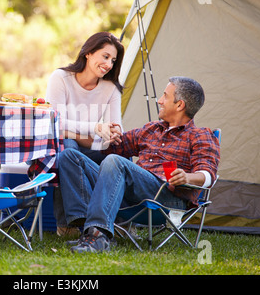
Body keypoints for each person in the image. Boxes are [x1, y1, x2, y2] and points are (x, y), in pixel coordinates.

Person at [58, 76, 220, 253]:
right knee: (70, 156)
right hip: (130, 194)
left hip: (165, 198)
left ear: (179, 105)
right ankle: (87, 231)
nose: (159, 100)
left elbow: (208, 174)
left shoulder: (200, 135)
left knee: (115, 162)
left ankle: (98, 236)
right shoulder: (151, 129)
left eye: (165, 96)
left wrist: (187, 176)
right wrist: (95, 132)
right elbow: (110, 147)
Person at [45, 32, 125, 237]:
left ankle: (110, 220)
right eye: (105, 56)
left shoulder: (111, 89)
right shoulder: (61, 78)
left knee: (118, 155)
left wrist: (110, 134)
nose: (108, 64)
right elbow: (53, 124)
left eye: (113, 60)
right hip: (60, 149)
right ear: (88, 53)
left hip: (94, 150)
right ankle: (76, 222)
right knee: (68, 147)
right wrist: (96, 129)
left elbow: (115, 131)